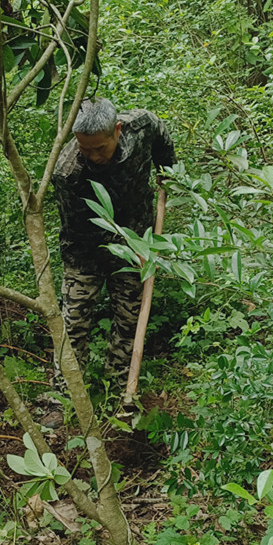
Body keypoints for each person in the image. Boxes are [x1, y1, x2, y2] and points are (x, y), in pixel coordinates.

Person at [52, 97, 176, 376]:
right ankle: (64, 394)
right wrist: (127, 248)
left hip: (136, 240)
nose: (93, 156)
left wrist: (167, 171)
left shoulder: (142, 127)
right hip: (84, 253)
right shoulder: (69, 173)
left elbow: (161, 138)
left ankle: (119, 384)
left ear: (117, 130)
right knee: (73, 324)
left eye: (100, 148)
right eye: (85, 148)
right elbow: (79, 231)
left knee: (130, 319)